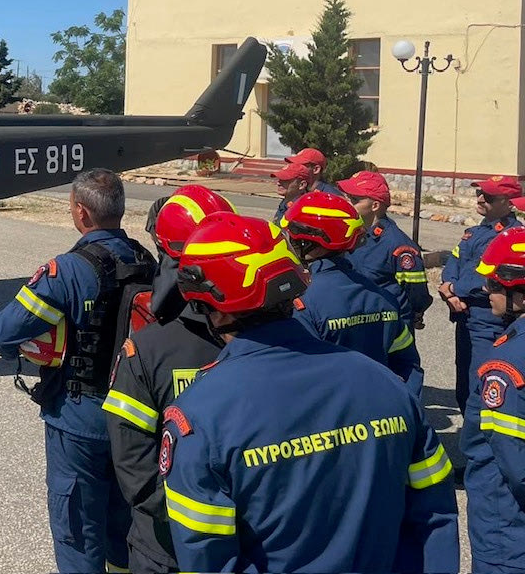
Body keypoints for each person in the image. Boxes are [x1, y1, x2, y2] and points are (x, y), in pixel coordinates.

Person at [162, 211, 459, 573]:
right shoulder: (386, 384)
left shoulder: (199, 416)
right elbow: (434, 517)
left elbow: (205, 555)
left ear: (219, 313)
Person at [0, 168, 146, 574]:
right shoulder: (148, 262)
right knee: (126, 529)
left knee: (78, 532)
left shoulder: (68, 270)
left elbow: (2, 334)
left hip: (80, 420)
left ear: (81, 212)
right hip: (138, 418)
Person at [103, 185, 233, 574]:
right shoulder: (259, 334)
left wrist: (191, 514)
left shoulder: (148, 348)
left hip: (165, 543)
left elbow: (134, 466)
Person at [282, 191, 422, 394]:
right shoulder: (384, 298)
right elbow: (407, 366)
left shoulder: (301, 303)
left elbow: (294, 378)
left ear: (307, 242)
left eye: (290, 237)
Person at [463, 226, 525, 572]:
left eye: (495, 284)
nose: (486, 290)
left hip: (508, 530)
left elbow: (517, 467)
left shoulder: (506, 365)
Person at [440, 175, 522, 411]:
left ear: (508, 202)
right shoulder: (474, 232)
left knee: (482, 387)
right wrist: (449, 291)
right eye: (479, 193)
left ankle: (478, 433)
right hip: (464, 315)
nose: (480, 199)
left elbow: (490, 277)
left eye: (489, 196)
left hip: (489, 320)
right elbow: (454, 261)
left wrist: (455, 289)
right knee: (464, 383)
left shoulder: (512, 236)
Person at [339, 169, 432, 329]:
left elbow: (416, 293)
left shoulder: (398, 245)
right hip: (356, 321)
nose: (348, 203)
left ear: (375, 205)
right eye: (348, 197)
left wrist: (412, 315)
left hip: (388, 327)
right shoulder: (353, 233)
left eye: (354, 200)